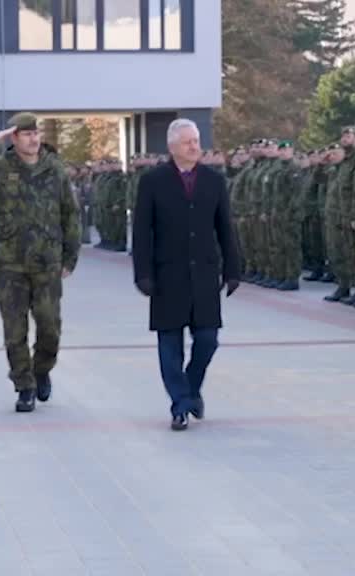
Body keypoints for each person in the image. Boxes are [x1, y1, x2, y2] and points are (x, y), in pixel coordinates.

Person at [0, 112, 80, 412]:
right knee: (14, 329)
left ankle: (42, 369)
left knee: (50, 327)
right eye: (25, 134)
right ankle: (24, 385)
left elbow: (70, 214)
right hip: (9, 264)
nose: (33, 139)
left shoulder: (55, 169)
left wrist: (70, 257)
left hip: (47, 263)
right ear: (14, 137)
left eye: (36, 133)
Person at [132, 118, 241, 431]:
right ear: (172, 147)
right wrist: (143, 273)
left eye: (196, 141)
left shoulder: (213, 180)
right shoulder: (153, 181)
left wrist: (232, 269)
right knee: (169, 344)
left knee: (208, 340)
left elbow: (225, 227)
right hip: (167, 274)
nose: (195, 147)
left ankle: (191, 390)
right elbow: (142, 231)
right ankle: (180, 404)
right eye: (188, 142)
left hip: (205, 273)